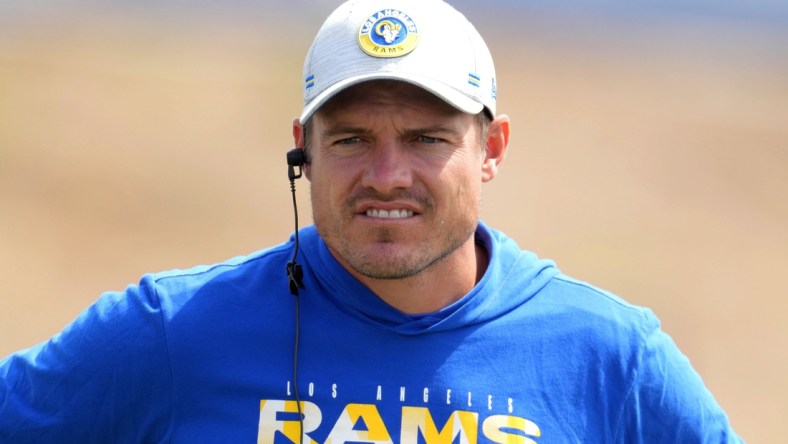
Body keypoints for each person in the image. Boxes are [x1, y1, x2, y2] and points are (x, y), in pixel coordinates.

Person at [0, 0, 741, 442]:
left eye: (426, 138)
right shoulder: (171, 331)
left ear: (492, 149)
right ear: (305, 152)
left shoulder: (612, 357)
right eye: (352, 139)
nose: (387, 176)